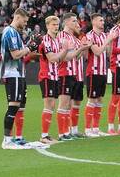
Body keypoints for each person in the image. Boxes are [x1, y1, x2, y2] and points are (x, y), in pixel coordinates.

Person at [0, 7, 32, 150]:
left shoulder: (15, 33)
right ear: (17, 17)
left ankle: (16, 138)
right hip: (13, 73)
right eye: (24, 21)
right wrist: (30, 47)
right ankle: (7, 140)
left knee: (18, 105)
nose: (25, 24)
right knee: (13, 105)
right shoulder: (11, 32)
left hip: (18, 73)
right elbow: (16, 55)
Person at [56, 13, 91, 141]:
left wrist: (83, 49)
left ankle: (68, 132)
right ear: (66, 23)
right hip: (64, 73)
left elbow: (75, 57)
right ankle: (62, 134)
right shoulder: (62, 36)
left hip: (74, 74)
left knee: (69, 105)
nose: (76, 23)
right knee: (64, 104)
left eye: (76, 21)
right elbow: (64, 58)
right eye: (73, 21)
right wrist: (80, 49)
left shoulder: (74, 38)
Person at [37, 15, 69, 144]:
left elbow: (60, 59)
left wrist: (65, 50)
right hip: (46, 76)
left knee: (52, 105)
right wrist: (65, 49)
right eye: (53, 24)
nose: (56, 27)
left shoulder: (56, 41)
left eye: (57, 24)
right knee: (49, 104)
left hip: (55, 76)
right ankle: (44, 135)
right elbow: (52, 58)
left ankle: (46, 135)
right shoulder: (46, 41)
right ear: (47, 26)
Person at [84, 13, 117, 137]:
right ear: (94, 23)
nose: (103, 22)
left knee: (99, 100)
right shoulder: (89, 36)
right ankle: (88, 129)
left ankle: (96, 128)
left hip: (103, 71)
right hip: (93, 71)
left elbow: (108, 53)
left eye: (103, 20)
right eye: (100, 20)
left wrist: (111, 42)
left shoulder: (103, 35)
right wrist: (107, 40)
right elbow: (97, 52)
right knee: (92, 99)